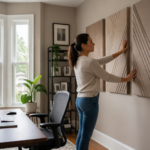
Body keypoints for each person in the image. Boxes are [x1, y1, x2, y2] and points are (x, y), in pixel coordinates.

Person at [68, 33, 136, 150]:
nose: (93, 43)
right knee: (86, 136)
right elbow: (107, 76)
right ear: (84, 45)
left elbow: (101, 60)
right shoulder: (89, 62)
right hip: (89, 101)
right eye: (91, 41)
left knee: (82, 134)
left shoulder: (78, 61)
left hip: (80, 100)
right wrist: (127, 79)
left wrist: (120, 52)